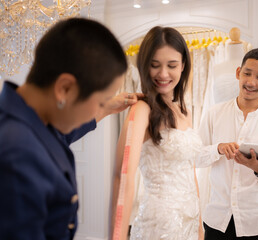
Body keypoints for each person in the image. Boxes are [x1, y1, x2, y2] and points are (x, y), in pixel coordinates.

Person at [0, 18, 141, 239]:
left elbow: (55, 138)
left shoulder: (30, 121)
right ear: (65, 88)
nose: (102, 106)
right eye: (102, 100)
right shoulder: (17, 152)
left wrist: (105, 109)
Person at [111, 26, 213, 240]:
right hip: (160, 225)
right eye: (155, 65)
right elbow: (123, 177)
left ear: (183, 66)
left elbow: (190, 171)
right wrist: (118, 236)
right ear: (143, 66)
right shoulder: (141, 110)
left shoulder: (184, 111)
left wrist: (200, 227)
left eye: (172, 65)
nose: (163, 74)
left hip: (191, 219)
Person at [197, 48, 258, 239]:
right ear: (238, 72)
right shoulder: (213, 114)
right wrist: (218, 148)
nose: (250, 82)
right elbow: (195, 157)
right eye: (247, 73)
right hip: (218, 221)